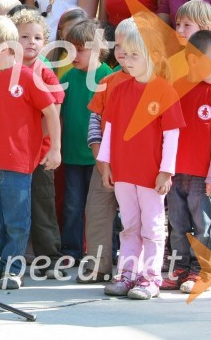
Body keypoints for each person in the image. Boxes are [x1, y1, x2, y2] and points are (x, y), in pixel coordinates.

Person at [0, 16, 61, 290]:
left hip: (18, 165)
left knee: (16, 221)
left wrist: (54, 148)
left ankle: (13, 268)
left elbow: (51, 111)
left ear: (6, 48)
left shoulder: (27, 77)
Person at [98, 26, 185, 300]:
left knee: (152, 226)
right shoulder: (119, 88)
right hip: (123, 172)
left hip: (150, 175)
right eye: (126, 53)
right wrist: (106, 163)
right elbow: (109, 129)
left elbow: (172, 135)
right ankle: (127, 274)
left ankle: (150, 278)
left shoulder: (164, 91)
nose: (128, 59)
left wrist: (166, 171)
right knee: (130, 225)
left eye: (136, 54)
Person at [162, 30, 211, 293]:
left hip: (203, 177)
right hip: (175, 173)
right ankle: (180, 268)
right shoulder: (175, 88)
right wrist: (163, 169)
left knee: (204, 225)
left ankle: (202, 271)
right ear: (192, 59)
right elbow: (163, 131)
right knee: (178, 225)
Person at [9, 8, 67, 278]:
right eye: (24, 36)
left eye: (37, 38)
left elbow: (51, 115)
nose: (31, 42)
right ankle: (12, 257)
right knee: (14, 208)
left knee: (42, 207)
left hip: (40, 155)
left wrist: (38, 145)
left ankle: (50, 258)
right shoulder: (6, 72)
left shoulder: (46, 76)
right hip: (13, 155)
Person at [78, 18, 135, 284]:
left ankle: (135, 269)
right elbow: (94, 123)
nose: (122, 51)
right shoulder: (108, 82)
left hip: (139, 167)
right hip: (106, 165)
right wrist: (101, 161)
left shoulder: (156, 83)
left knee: (138, 221)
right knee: (97, 212)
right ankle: (98, 266)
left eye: (131, 46)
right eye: (119, 45)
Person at [58, 20, 112, 261]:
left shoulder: (108, 78)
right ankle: (72, 250)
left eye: (80, 49)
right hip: (71, 154)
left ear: (98, 48)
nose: (74, 55)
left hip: (99, 158)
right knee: (72, 206)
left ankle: (103, 251)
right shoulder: (68, 76)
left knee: (100, 208)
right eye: (70, 49)